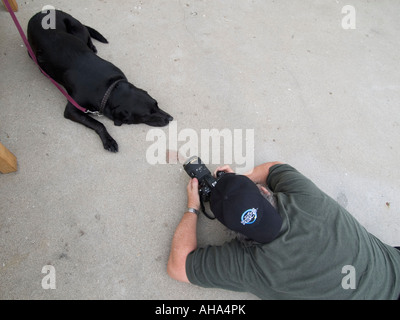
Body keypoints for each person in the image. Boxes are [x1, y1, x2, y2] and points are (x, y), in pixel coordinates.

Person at [167, 161, 400, 299]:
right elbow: (274, 168)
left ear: (232, 231)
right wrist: (240, 179)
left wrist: (193, 207)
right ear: (266, 192)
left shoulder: (252, 266)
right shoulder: (306, 198)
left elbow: (178, 266)